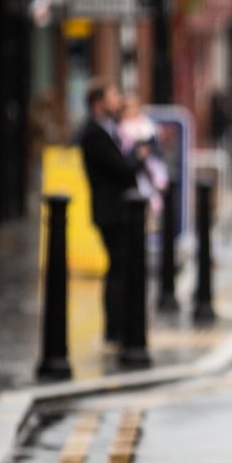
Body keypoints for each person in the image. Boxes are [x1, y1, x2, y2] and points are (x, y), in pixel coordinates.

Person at [77, 81, 150, 346]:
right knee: (117, 270)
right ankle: (114, 330)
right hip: (111, 212)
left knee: (122, 268)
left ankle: (122, 326)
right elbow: (121, 167)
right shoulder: (93, 134)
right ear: (98, 102)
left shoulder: (108, 129)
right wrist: (139, 158)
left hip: (120, 211)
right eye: (112, 96)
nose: (117, 100)